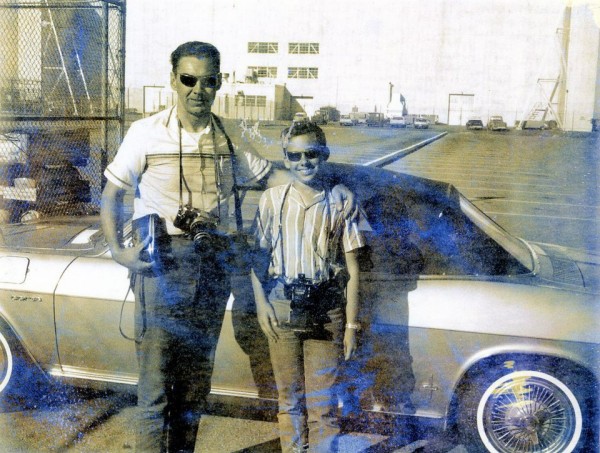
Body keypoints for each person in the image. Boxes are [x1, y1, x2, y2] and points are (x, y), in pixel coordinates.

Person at [100, 41, 354, 453]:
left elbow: (270, 176)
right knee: (155, 391)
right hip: (164, 267)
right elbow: (112, 193)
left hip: (213, 266)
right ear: (173, 81)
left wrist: (323, 187)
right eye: (188, 79)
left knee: (195, 387)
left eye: (209, 81)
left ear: (219, 83)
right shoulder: (145, 133)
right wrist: (117, 250)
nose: (198, 89)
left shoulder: (228, 133)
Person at [250, 121, 365, 453]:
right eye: (295, 155)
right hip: (283, 308)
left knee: (323, 408)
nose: (304, 162)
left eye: (311, 154)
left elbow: (353, 272)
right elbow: (256, 260)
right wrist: (262, 304)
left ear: (324, 155)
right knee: (289, 402)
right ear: (286, 159)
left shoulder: (341, 204)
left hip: (326, 312)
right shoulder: (272, 201)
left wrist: (352, 327)